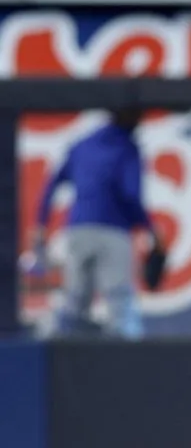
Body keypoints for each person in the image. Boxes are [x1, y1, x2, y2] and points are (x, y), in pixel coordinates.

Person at [29, 106, 160, 339]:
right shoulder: (127, 148)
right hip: (113, 232)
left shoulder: (82, 144)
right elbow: (130, 194)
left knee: (74, 306)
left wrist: (40, 224)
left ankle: (64, 364)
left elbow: (51, 185)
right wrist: (151, 229)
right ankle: (133, 368)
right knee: (120, 305)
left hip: (78, 231)